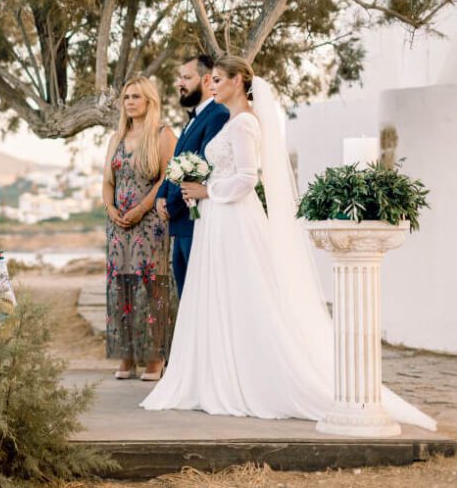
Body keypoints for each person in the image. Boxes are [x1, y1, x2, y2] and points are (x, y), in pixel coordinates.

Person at [140, 56, 435, 431]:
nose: (212, 85)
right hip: (217, 218)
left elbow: (247, 178)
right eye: (210, 79)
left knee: (245, 295)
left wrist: (206, 189)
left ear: (237, 81)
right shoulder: (231, 121)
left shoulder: (245, 123)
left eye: (218, 79)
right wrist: (201, 191)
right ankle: (216, 373)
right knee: (220, 295)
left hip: (233, 219)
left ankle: (246, 378)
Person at [102, 77, 177, 381]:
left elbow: (165, 179)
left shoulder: (162, 134)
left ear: (149, 101)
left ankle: (156, 358)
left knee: (153, 287)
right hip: (118, 225)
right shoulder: (116, 138)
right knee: (122, 288)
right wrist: (111, 209)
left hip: (150, 223)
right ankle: (127, 355)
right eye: (126, 97)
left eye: (136, 96)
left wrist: (140, 209)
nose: (130, 102)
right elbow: (108, 181)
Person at [155, 55, 229, 297]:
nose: (180, 83)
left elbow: (202, 168)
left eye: (186, 77)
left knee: (197, 298)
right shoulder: (190, 121)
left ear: (207, 80)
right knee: (185, 300)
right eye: (179, 78)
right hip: (180, 224)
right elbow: (175, 165)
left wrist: (172, 204)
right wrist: (161, 196)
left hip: (196, 222)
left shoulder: (218, 115)